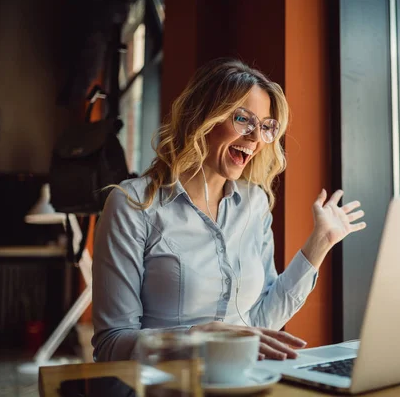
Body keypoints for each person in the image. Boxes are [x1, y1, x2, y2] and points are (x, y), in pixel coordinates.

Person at [91, 58, 366, 362]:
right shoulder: (133, 205)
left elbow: (260, 324)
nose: (255, 138)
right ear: (204, 117)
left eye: (266, 127)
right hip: (170, 387)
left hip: (244, 380)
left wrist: (320, 243)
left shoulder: (255, 203)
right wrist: (198, 338)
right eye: (243, 119)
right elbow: (111, 344)